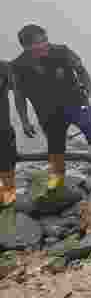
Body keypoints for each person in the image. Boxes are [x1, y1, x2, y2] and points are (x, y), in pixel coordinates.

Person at [11, 25, 91, 192]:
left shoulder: (62, 51)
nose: (44, 45)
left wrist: (89, 92)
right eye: (38, 43)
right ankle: (58, 176)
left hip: (74, 101)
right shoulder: (18, 66)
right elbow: (19, 95)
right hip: (47, 110)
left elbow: (81, 71)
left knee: (88, 126)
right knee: (55, 143)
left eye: (45, 40)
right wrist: (25, 121)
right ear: (26, 46)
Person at [0, 60, 33, 206]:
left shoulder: (4, 68)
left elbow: (19, 92)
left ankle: (10, 200)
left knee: (6, 167)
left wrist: (25, 121)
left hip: (2, 129)